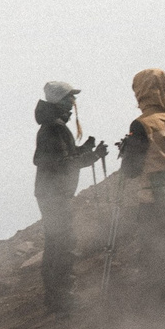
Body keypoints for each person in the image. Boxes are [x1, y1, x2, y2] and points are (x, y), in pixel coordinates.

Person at [31, 81, 105, 314]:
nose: (72, 106)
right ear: (58, 101)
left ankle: (55, 298)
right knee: (63, 243)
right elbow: (63, 164)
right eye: (68, 100)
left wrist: (84, 150)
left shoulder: (51, 126)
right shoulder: (55, 128)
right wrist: (91, 156)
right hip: (55, 195)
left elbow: (59, 159)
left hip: (49, 194)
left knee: (55, 243)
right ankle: (63, 299)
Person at [116, 69, 165, 286]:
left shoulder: (141, 125)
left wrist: (128, 150)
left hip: (153, 200)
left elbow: (131, 170)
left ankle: (158, 307)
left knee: (154, 254)